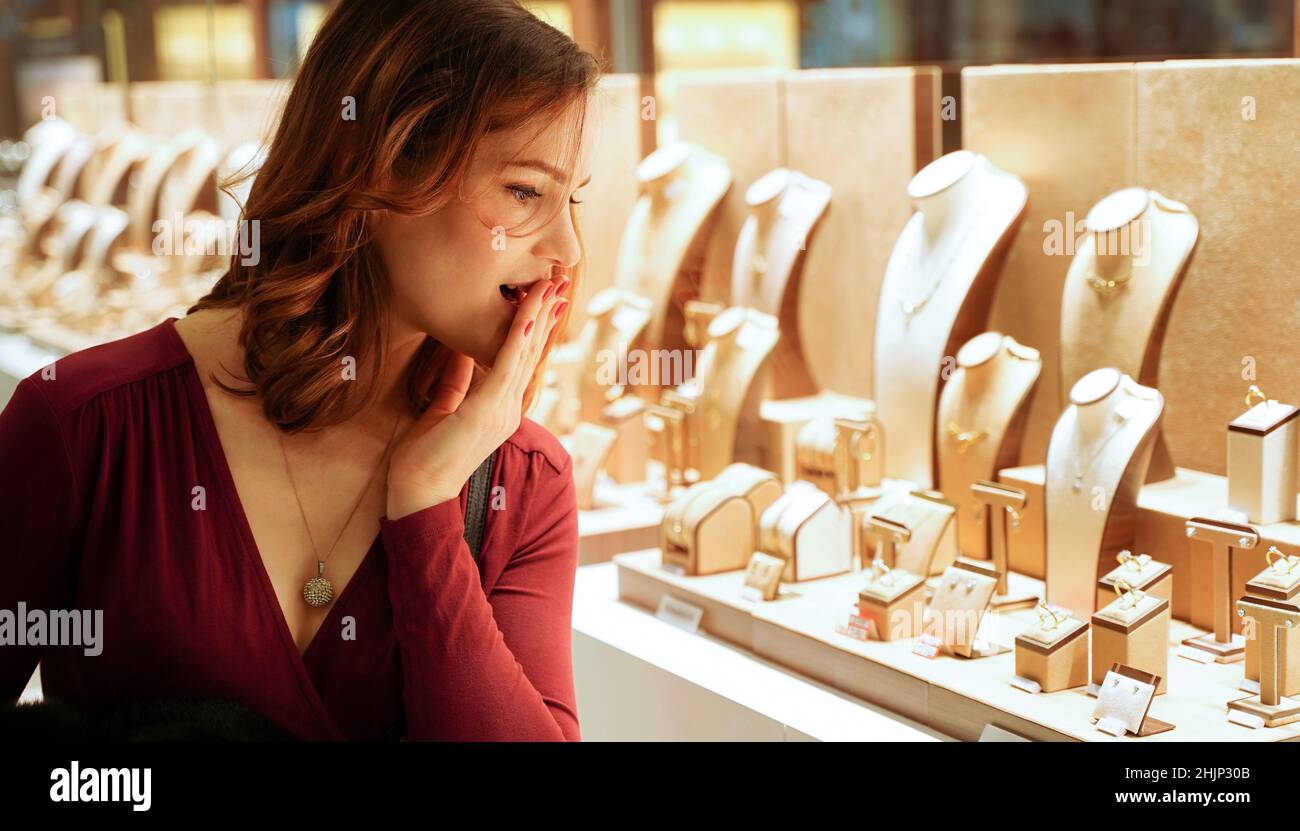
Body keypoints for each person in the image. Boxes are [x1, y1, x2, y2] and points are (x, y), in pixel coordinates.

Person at [0, 0, 599, 741]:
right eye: (526, 192)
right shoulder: (82, 424)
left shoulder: (524, 480)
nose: (568, 250)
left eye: (572, 199)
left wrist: (425, 507)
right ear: (383, 168)